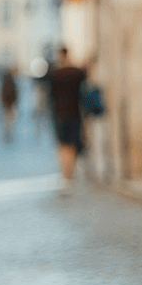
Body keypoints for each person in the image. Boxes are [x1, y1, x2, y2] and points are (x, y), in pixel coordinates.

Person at [46, 45, 89, 194]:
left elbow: (49, 96)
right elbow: (85, 84)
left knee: (63, 146)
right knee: (72, 146)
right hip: (75, 113)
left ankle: (66, 177)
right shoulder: (76, 72)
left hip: (60, 115)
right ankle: (69, 175)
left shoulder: (55, 73)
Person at [0, 67, 19, 145]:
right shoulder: (12, 84)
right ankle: (8, 133)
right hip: (10, 105)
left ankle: (7, 133)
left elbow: (2, 95)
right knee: (9, 121)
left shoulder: (5, 85)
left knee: (7, 122)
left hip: (7, 105)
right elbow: (16, 94)